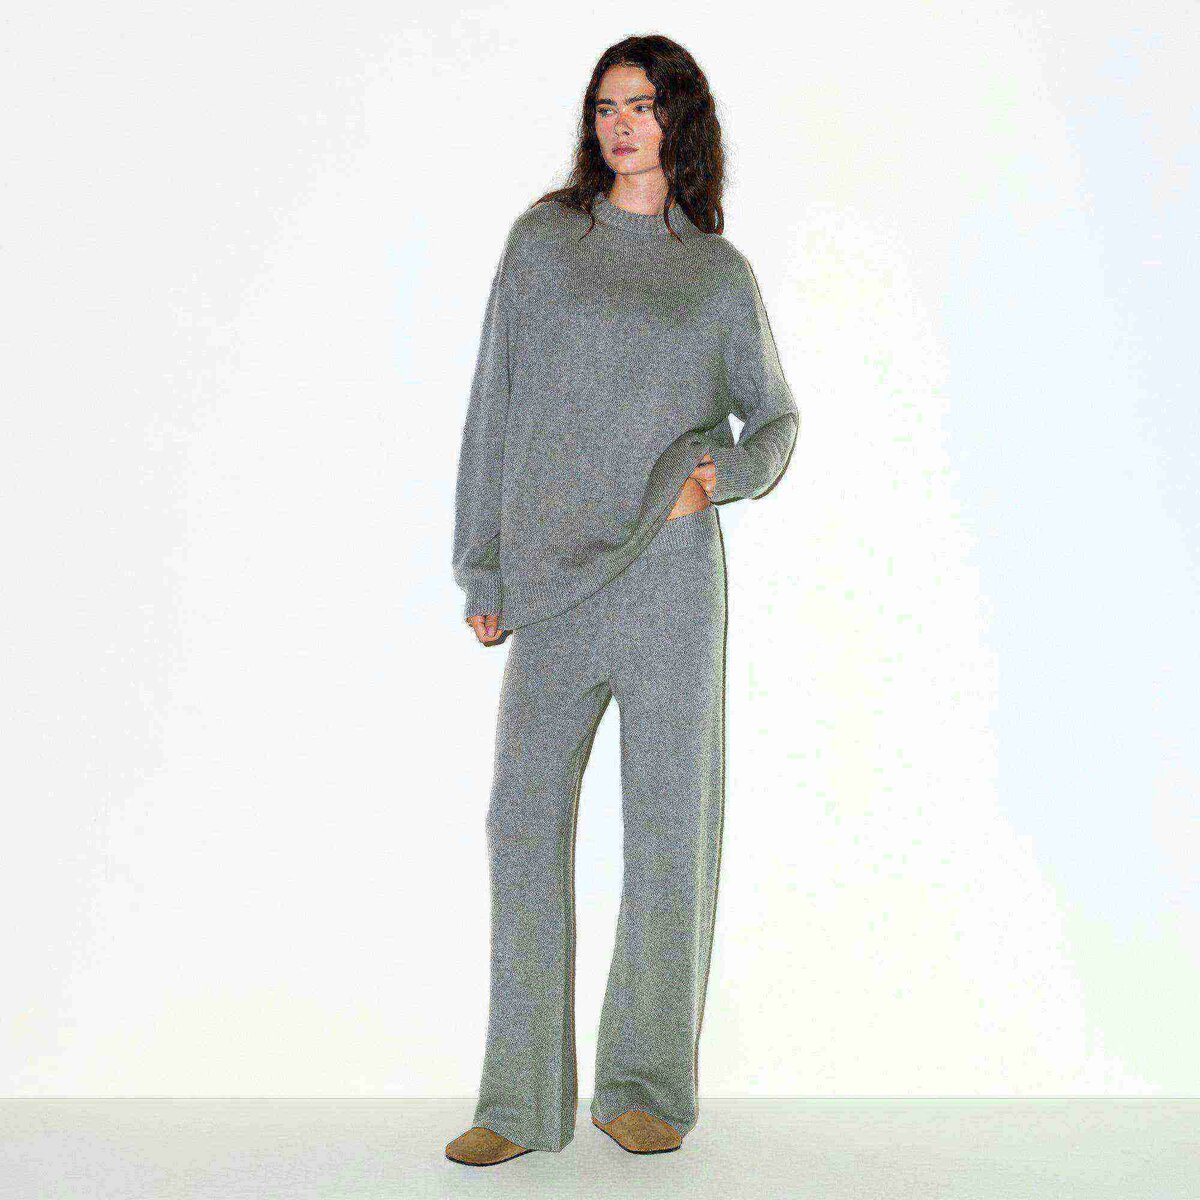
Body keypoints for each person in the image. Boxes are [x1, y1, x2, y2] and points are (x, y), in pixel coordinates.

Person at [446, 33, 799, 1166]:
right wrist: (485, 565)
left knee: (667, 830)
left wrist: (719, 476)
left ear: (679, 120)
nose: (620, 124)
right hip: (554, 582)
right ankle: (519, 1100)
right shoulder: (544, 244)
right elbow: (495, 403)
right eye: (606, 106)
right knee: (522, 820)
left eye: (641, 105)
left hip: (670, 579)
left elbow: (775, 418)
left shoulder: (716, 275)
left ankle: (644, 1085)